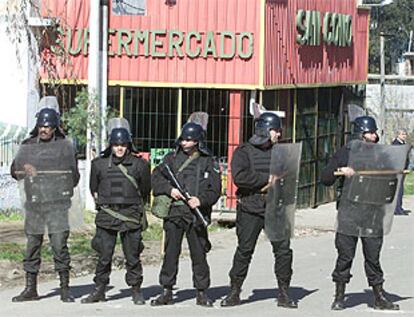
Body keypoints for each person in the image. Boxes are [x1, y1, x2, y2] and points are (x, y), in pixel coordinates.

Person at [321, 115, 400, 311]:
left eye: (375, 133)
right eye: (370, 133)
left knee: (373, 257)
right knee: (345, 256)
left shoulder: (380, 155)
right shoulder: (345, 153)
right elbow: (325, 178)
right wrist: (341, 169)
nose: (374, 136)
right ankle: (339, 296)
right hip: (350, 212)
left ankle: (379, 297)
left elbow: (391, 181)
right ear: (361, 134)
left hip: (373, 213)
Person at [220, 112, 297, 309]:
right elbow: (240, 177)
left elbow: (290, 176)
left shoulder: (281, 152)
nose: (278, 135)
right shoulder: (243, 152)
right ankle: (234, 291)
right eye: (275, 131)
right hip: (250, 207)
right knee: (244, 250)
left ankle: (284, 292)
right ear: (265, 130)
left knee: (283, 251)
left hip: (276, 207)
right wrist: (266, 179)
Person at [11, 106, 80, 303]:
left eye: (48, 126)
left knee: (59, 246)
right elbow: (14, 171)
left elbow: (74, 177)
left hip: (57, 205)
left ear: (55, 127)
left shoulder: (65, 147)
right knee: (32, 246)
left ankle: (65, 288)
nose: (44, 129)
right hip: (35, 205)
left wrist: (56, 175)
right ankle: (30, 288)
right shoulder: (28, 145)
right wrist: (24, 167)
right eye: (41, 125)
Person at [150, 122, 221, 307]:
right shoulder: (171, 159)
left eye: (189, 140)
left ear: (197, 141)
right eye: (183, 139)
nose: (185, 143)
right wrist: (169, 189)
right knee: (170, 254)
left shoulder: (208, 161)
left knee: (199, 255)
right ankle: (166, 290)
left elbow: (215, 190)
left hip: (196, 215)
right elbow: (156, 178)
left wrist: (201, 200)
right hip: (175, 213)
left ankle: (202, 291)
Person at [81, 119, 151, 305]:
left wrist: (135, 207)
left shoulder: (140, 165)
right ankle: (99, 290)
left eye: (123, 145)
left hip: (131, 214)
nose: (119, 148)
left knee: (132, 256)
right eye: (116, 145)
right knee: (104, 256)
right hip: (107, 214)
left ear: (128, 145)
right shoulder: (99, 164)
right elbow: (93, 188)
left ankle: (136, 290)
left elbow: (145, 190)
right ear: (111, 145)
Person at [392, 129, 410, 215]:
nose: (404, 136)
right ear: (398, 135)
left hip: (403, 169)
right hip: (398, 170)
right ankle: (396, 209)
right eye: (402, 134)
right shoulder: (396, 144)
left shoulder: (403, 144)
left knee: (401, 190)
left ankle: (399, 207)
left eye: (405, 134)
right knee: (398, 189)